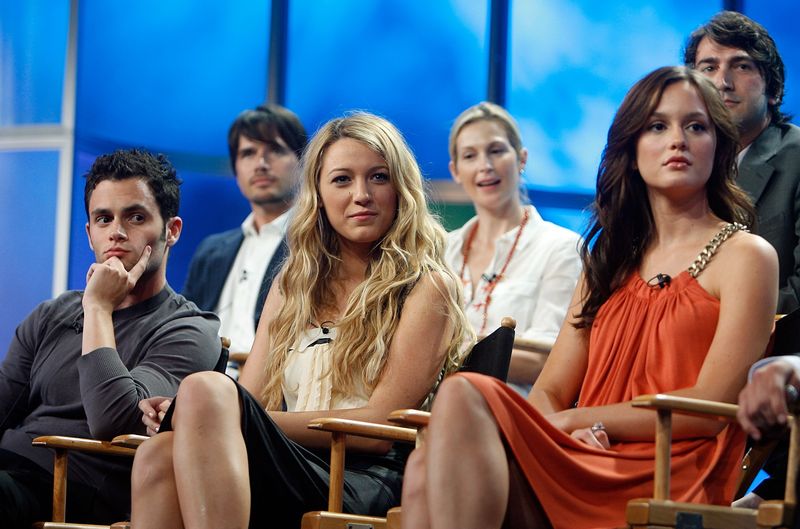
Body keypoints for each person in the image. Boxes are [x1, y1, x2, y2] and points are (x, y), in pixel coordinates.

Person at [400, 66, 779, 529]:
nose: (677, 139)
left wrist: (575, 423)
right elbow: (552, 391)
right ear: (632, 149)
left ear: (718, 146)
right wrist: (565, 430)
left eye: (695, 126)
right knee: (423, 466)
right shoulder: (608, 258)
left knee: (461, 394)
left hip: (665, 471)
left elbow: (708, 407)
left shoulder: (747, 256)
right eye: (658, 126)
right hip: (581, 454)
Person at [128, 112, 472, 529]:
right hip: (294, 463)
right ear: (319, 195)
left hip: (361, 477)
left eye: (378, 177)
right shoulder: (293, 285)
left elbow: (380, 428)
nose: (361, 194)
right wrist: (203, 416)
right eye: (342, 180)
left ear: (401, 189)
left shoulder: (428, 286)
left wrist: (220, 417)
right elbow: (249, 396)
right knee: (156, 453)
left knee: (204, 392)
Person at [0, 149, 221, 528]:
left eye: (135, 217)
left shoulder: (190, 329)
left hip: (73, 488)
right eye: (103, 219)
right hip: (11, 472)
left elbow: (114, 419)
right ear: (89, 234)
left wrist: (99, 309)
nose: (116, 232)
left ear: (172, 230)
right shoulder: (52, 314)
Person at [445, 102, 581, 392]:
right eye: (470, 155)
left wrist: (444, 358)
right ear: (456, 171)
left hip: (514, 416)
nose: (485, 165)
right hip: (427, 416)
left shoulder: (561, 248)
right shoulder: (440, 250)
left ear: (521, 159)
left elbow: (548, 359)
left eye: (496, 151)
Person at [685, 10, 800, 314]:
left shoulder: (797, 156)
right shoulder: (673, 161)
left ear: (772, 90)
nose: (722, 82)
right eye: (708, 67)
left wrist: (713, 322)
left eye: (741, 66)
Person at [182, 104, 308, 355]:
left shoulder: (315, 243)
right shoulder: (212, 250)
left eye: (275, 150)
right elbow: (184, 330)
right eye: (248, 153)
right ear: (236, 169)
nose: (261, 164)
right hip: (202, 381)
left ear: (303, 162)